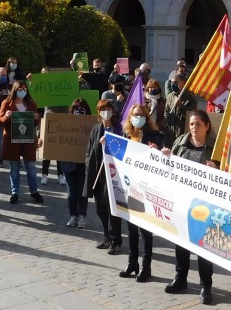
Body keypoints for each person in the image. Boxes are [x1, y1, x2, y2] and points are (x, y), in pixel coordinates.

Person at [163, 109, 219, 303]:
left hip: (203, 204)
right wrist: (166, 156)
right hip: (182, 200)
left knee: (203, 245)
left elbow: (226, 175)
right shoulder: (180, 143)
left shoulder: (214, 148)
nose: (194, 128)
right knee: (181, 241)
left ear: (207, 126)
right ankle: (180, 278)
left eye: (198, 124)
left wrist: (216, 170)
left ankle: (206, 285)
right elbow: (170, 167)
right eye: (192, 124)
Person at [118, 103, 164, 282]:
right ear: (130, 118)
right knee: (131, 228)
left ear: (146, 117)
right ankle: (132, 263)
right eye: (134, 115)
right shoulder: (127, 136)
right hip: (130, 187)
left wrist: (156, 152)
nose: (137, 117)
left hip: (146, 188)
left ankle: (146, 267)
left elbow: (161, 158)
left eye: (140, 114)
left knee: (145, 230)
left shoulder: (155, 136)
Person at [0, 80, 43, 203]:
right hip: (12, 141)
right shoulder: (7, 103)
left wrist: (37, 118)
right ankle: (15, 193)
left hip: (28, 140)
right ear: (15, 90)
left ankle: (34, 191)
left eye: (24, 89)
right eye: (20, 89)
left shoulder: (32, 104)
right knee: (14, 168)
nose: (22, 91)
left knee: (31, 168)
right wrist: (6, 116)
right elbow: (0, 121)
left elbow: (36, 122)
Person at [86, 98, 122, 254]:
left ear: (113, 111)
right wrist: (88, 163)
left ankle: (116, 240)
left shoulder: (119, 129)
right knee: (100, 208)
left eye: (108, 109)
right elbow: (89, 150)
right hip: (98, 174)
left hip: (114, 175)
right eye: (102, 110)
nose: (106, 112)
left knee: (112, 209)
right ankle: (107, 236)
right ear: (99, 113)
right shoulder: (96, 129)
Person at [61, 98, 92, 227]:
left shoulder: (92, 125)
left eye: (82, 110)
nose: (79, 112)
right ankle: (73, 215)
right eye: (76, 110)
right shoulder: (65, 124)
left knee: (81, 191)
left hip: (84, 164)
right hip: (68, 163)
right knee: (71, 191)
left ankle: (82, 216)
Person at [162, 72, 196, 149]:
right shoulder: (170, 96)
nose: (172, 84)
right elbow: (166, 112)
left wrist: (181, 106)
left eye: (176, 82)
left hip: (181, 135)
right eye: (171, 82)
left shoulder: (191, 98)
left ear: (183, 83)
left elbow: (192, 117)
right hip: (169, 135)